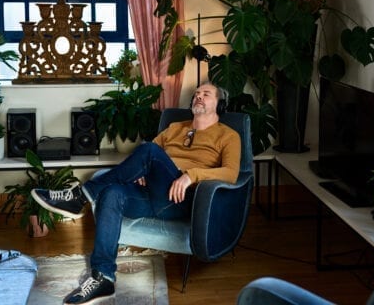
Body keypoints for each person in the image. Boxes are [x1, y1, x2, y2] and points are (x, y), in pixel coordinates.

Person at [31, 82, 241, 305]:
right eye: (196, 93)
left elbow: (231, 173)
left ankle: (80, 197)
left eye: (206, 94)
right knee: (112, 192)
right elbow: (146, 157)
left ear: (220, 104)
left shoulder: (228, 136)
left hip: (182, 199)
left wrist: (191, 175)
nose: (198, 96)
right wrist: (141, 171)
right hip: (151, 193)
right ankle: (103, 277)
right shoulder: (175, 128)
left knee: (150, 151)